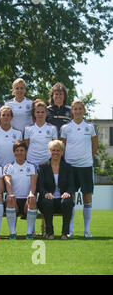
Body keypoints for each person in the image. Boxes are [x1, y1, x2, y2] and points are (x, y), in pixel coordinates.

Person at [60, 100, 98, 238]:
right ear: (72, 111)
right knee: (71, 199)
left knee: (87, 198)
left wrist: (85, 159)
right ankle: (70, 230)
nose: (77, 111)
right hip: (70, 168)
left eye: (80, 108)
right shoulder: (65, 128)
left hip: (86, 167)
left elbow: (94, 147)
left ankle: (87, 231)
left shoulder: (91, 127)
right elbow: (62, 148)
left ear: (84, 110)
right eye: (75, 109)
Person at [37, 140, 75, 240]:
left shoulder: (68, 167)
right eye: (53, 150)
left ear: (62, 152)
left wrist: (68, 192)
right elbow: (40, 186)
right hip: (48, 200)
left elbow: (72, 186)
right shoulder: (43, 167)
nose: (56, 153)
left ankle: (65, 233)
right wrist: (46, 193)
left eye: (58, 150)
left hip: (62, 199)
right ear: (49, 151)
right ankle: (50, 233)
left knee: (68, 202)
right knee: (46, 202)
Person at [3, 141, 38, 240]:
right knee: (9, 199)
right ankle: (12, 233)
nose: (19, 153)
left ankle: (29, 233)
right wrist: (10, 194)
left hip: (27, 199)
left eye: (22, 150)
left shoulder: (32, 166)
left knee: (32, 199)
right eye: (17, 150)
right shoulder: (8, 167)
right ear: (14, 152)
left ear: (26, 151)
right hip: (15, 199)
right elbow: (8, 183)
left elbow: (33, 184)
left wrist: (31, 194)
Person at [24, 99, 59, 166]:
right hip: (31, 161)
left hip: (47, 162)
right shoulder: (28, 128)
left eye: (42, 112)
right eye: (38, 112)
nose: (40, 114)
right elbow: (26, 146)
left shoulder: (52, 128)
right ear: (34, 113)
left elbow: (55, 148)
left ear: (46, 113)